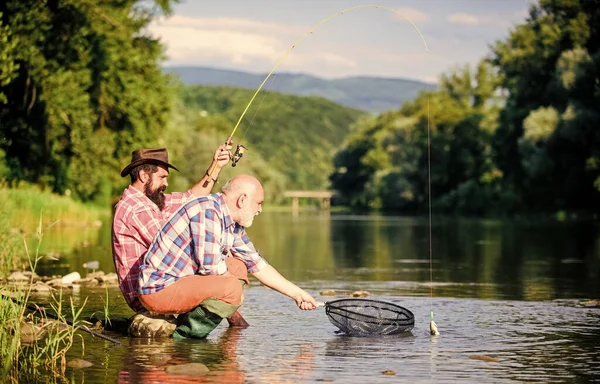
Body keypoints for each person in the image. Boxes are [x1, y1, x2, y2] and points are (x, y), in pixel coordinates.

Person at [137, 174, 318, 339]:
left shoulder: (231, 223)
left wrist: (298, 294)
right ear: (242, 199)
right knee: (232, 288)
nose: (260, 209)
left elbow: (258, 265)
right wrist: (236, 295)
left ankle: (188, 322)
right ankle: (183, 338)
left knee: (238, 267)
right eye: (259, 203)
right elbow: (211, 268)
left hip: (178, 282)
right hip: (158, 288)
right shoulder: (208, 211)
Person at [112, 140, 247, 327]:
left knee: (236, 267)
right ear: (143, 175)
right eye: (162, 177)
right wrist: (217, 248)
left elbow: (191, 199)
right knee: (218, 269)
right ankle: (188, 333)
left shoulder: (151, 201)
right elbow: (171, 249)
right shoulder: (135, 209)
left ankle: (231, 322)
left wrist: (216, 165)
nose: (166, 183)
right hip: (148, 291)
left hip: (166, 278)